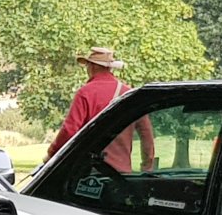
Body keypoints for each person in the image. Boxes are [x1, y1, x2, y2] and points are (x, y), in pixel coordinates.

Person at [45, 46, 155, 174]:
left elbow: (69, 130)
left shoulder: (85, 93)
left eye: (88, 65)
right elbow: (146, 133)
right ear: (109, 68)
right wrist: (147, 167)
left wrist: (51, 154)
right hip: (122, 175)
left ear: (92, 67)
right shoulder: (129, 93)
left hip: (89, 172)